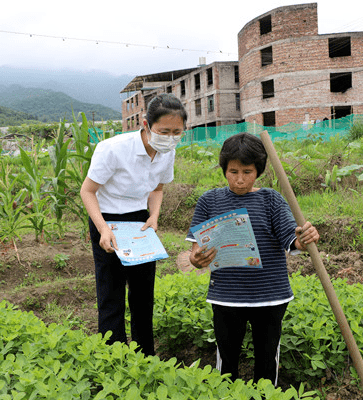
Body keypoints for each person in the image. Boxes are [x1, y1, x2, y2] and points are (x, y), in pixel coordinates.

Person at [186, 132, 320, 385]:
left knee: (267, 359)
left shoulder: (271, 200)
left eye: (247, 172)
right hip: (227, 296)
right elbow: (195, 252)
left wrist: (304, 239)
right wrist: (197, 259)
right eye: (233, 171)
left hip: (270, 295)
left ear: (258, 170)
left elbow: (291, 241)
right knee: (226, 361)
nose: (239, 180)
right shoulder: (209, 201)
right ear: (224, 169)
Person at [80, 93, 187, 356]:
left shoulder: (167, 152)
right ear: (145, 123)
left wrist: (154, 216)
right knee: (111, 293)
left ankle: (144, 357)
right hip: (107, 222)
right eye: (164, 131)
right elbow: (88, 191)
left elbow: (158, 188)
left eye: (177, 132)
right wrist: (103, 229)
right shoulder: (113, 149)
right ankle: (112, 356)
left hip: (139, 223)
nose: (170, 138)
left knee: (142, 296)